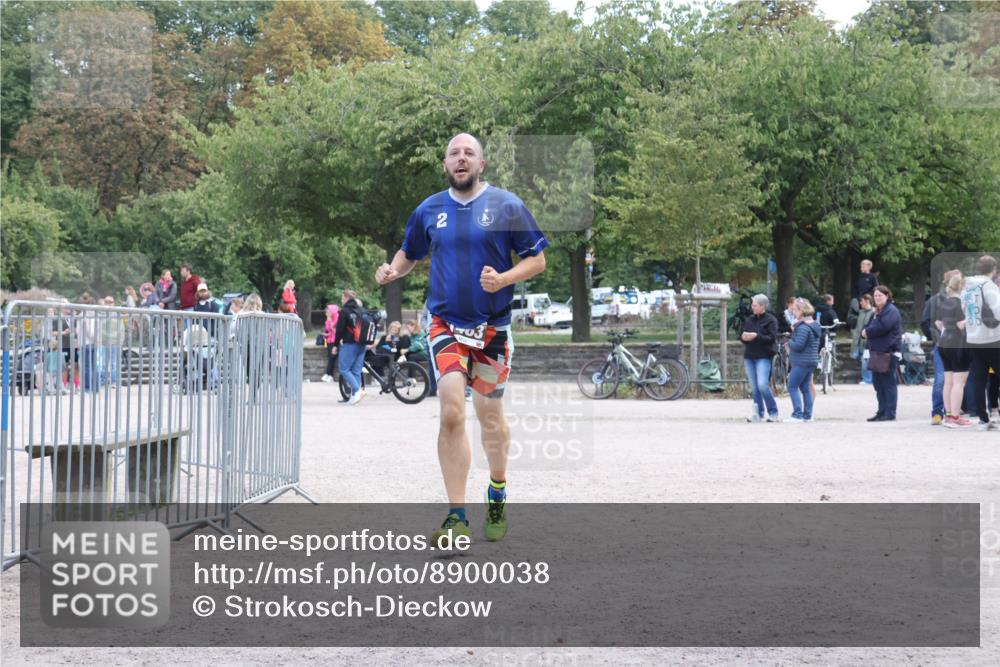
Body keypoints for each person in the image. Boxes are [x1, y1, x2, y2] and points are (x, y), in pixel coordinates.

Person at [374, 132, 548, 545]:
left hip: (492, 330)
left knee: (490, 417)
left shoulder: (507, 205)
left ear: (481, 164)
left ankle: (498, 489)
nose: (462, 158)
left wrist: (503, 278)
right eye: (454, 153)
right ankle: (456, 517)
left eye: (469, 153)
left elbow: (537, 259)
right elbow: (410, 252)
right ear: (445, 164)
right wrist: (392, 270)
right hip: (445, 325)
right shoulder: (429, 209)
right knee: (452, 411)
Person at [961, 255, 1000, 430]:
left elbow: (965, 310)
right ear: (994, 270)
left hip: (973, 337)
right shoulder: (989, 286)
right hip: (993, 337)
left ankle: (983, 419)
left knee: (978, 378)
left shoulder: (967, 287)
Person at [922, 270, 962, 425]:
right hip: (943, 344)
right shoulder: (935, 300)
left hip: (958, 344)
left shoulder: (961, 299)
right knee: (941, 379)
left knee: (957, 380)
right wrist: (936, 337)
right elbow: (925, 322)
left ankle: (953, 411)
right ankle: (938, 412)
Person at [934, 272, 973, 428]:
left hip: (943, 343)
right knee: (959, 383)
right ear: (961, 287)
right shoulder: (959, 304)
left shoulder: (944, 302)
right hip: (958, 344)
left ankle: (948, 415)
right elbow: (960, 325)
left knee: (948, 382)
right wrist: (971, 317)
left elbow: (938, 323)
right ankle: (955, 417)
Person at [862, 285, 903, 422]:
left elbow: (883, 327)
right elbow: (868, 326)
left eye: (880, 295)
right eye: (875, 296)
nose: (877, 298)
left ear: (887, 296)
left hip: (888, 352)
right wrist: (865, 331)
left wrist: (867, 332)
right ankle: (881, 411)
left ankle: (890, 413)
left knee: (888, 383)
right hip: (877, 352)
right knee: (878, 384)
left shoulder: (891, 311)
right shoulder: (877, 312)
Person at [740, 294, 779, 423]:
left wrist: (756, 336)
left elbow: (772, 338)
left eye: (755, 305)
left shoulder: (771, 320)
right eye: (752, 305)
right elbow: (744, 334)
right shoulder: (750, 319)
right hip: (749, 356)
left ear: (762, 306)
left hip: (763, 356)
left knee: (762, 385)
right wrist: (744, 338)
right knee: (755, 387)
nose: (752, 307)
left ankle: (773, 412)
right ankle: (758, 413)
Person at [785, 299, 821, 423]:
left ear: (801, 310)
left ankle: (797, 414)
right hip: (811, 361)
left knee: (792, 386)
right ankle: (807, 415)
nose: (793, 312)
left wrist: (789, 342)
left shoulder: (803, 327)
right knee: (805, 388)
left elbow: (799, 345)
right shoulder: (814, 325)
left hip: (802, 361)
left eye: (795, 309)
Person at [333, 290, 368, 405]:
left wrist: (335, 344)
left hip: (350, 343)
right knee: (356, 370)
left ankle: (357, 389)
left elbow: (339, 330)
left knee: (344, 369)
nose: (341, 300)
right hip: (362, 343)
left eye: (342, 297)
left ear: (346, 297)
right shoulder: (361, 310)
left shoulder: (345, 311)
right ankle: (354, 398)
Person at [404, 319, 437, 396]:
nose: (408, 329)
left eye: (409, 327)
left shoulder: (421, 334)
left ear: (414, 326)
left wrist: (408, 349)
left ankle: (412, 377)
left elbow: (419, 346)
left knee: (411, 357)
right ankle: (410, 377)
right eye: (407, 328)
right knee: (409, 356)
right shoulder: (411, 335)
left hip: (425, 353)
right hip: (418, 354)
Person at [98, 295, 124, 386]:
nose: (108, 303)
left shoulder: (118, 313)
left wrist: (120, 341)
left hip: (115, 342)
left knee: (114, 363)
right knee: (103, 363)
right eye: (106, 301)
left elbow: (121, 329)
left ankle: (114, 381)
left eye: (110, 302)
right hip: (103, 342)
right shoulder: (100, 313)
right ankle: (103, 380)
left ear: (114, 303)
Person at [850, 293, 874, 385]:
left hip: (867, 342)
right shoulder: (861, 312)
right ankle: (868, 378)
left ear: (867, 301)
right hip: (858, 341)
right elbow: (857, 327)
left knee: (865, 360)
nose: (860, 303)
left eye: (862, 301)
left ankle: (867, 380)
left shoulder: (873, 312)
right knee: (858, 358)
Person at [321, 304, 340, 383]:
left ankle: (329, 374)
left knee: (332, 357)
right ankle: (328, 374)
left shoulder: (338, 318)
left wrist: (329, 321)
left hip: (335, 341)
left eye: (328, 310)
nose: (327, 312)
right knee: (330, 357)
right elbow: (328, 329)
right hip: (329, 340)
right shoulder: (328, 319)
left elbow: (335, 329)